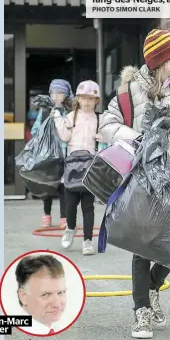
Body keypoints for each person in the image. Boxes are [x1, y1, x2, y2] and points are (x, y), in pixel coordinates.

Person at [99, 29, 170, 339]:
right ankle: (141, 312)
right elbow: (107, 124)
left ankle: (152, 286)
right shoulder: (128, 91)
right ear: (161, 59)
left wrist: (164, 154)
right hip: (142, 182)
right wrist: (138, 142)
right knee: (142, 247)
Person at [53, 80, 103, 256]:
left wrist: (103, 137)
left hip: (90, 168)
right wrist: (59, 120)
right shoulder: (71, 116)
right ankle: (70, 228)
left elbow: (107, 140)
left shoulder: (100, 118)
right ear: (78, 99)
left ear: (97, 100)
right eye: (83, 98)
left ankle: (88, 240)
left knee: (88, 206)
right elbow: (65, 137)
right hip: (72, 167)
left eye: (91, 98)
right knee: (70, 204)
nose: (87, 102)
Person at [31, 79, 74, 228]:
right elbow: (35, 130)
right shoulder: (44, 111)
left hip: (64, 154)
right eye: (53, 93)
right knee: (47, 185)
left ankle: (64, 217)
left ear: (66, 95)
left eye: (60, 93)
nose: (56, 96)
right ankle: (46, 214)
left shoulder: (70, 112)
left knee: (64, 186)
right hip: (47, 155)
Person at [16, 254, 67, 335]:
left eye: (60, 292)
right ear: (23, 296)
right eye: (46, 295)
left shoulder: (58, 325)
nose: (57, 304)